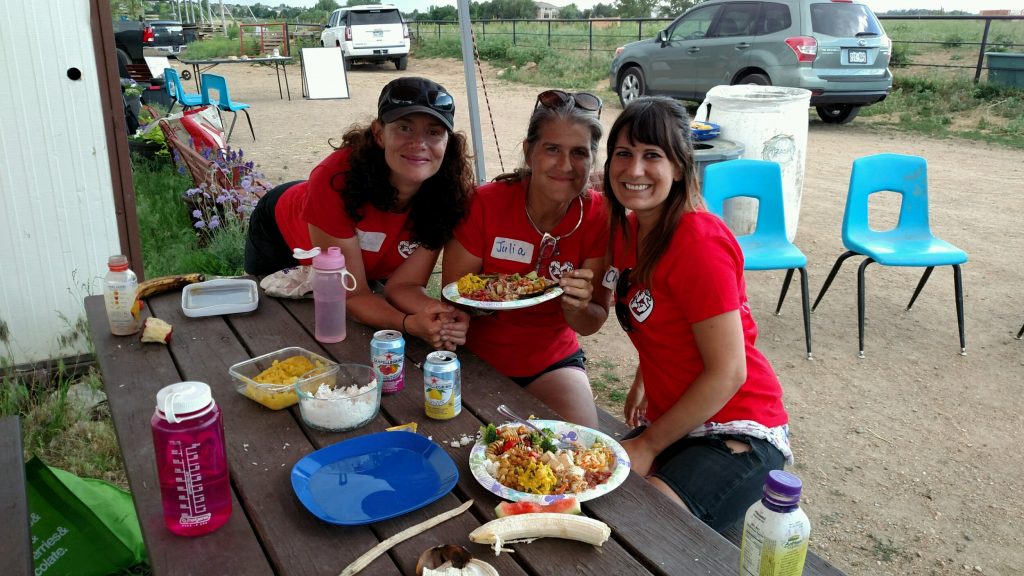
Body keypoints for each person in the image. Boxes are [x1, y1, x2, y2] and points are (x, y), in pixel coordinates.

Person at [603, 96, 791, 532]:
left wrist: (648, 444)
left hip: (738, 429)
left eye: (653, 156)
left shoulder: (698, 241)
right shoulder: (635, 229)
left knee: (642, 528)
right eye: (623, 154)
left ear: (681, 167)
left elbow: (729, 373)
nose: (634, 170)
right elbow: (664, 318)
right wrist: (645, 377)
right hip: (680, 420)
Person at [244, 77, 472, 350]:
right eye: (404, 128)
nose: (419, 143)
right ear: (378, 134)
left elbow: (403, 286)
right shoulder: (335, 180)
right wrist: (409, 324)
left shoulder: (449, 194)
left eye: (434, 132)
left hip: (361, 260)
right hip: (281, 233)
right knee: (270, 328)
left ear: (447, 142)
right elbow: (353, 296)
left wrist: (439, 316)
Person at [441, 90, 610, 428]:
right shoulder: (486, 203)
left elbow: (593, 321)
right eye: (552, 149)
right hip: (474, 357)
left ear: (592, 161)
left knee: (577, 448)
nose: (565, 165)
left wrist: (577, 307)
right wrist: (496, 296)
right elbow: (453, 294)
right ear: (529, 151)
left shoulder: (599, 216)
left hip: (552, 361)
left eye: (579, 152)